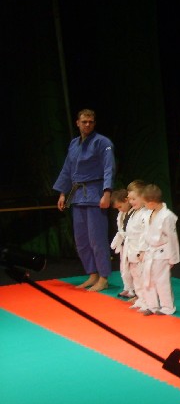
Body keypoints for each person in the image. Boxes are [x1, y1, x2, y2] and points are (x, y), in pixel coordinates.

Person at [53, 109, 115, 292]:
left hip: (95, 193)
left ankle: (103, 277)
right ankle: (92, 274)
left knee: (97, 238)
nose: (88, 124)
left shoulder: (103, 142)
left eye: (91, 122)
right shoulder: (74, 144)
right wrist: (63, 193)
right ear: (77, 123)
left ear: (94, 123)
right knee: (81, 240)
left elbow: (109, 167)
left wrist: (107, 192)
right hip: (77, 194)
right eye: (84, 122)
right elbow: (67, 169)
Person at [139, 184, 180, 316]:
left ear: (151, 202)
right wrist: (142, 250)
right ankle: (152, 305)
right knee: (148, 279)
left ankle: (167, 307)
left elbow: (172, 238)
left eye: (145, 203)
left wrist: (173, 258)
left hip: (162, 252)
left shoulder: (167, 216)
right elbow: (144, 234)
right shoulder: (148, 213)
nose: (144, 206)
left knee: (162, 281)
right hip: (150, 251)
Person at [124, 180, 149, 311]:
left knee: (144, 278)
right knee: (136, 277)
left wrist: (143, 250)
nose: (131, 202)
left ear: (143, 197)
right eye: (130, 199)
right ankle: (140, 298)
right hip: (132, 251)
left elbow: (146, 234)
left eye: (134, 199)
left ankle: (148, 302)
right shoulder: (133, 212)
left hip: (141, 252)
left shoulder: (145, 213)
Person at [110, 189, 135, 299]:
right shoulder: (121, 214)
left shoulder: (135, 212)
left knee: (133, 269)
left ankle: (134, 290)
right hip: (124, 244)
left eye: (120, 206)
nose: (119, 209)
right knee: (124, 268)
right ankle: (127, 287)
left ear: (126, 200)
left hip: (133, 244)